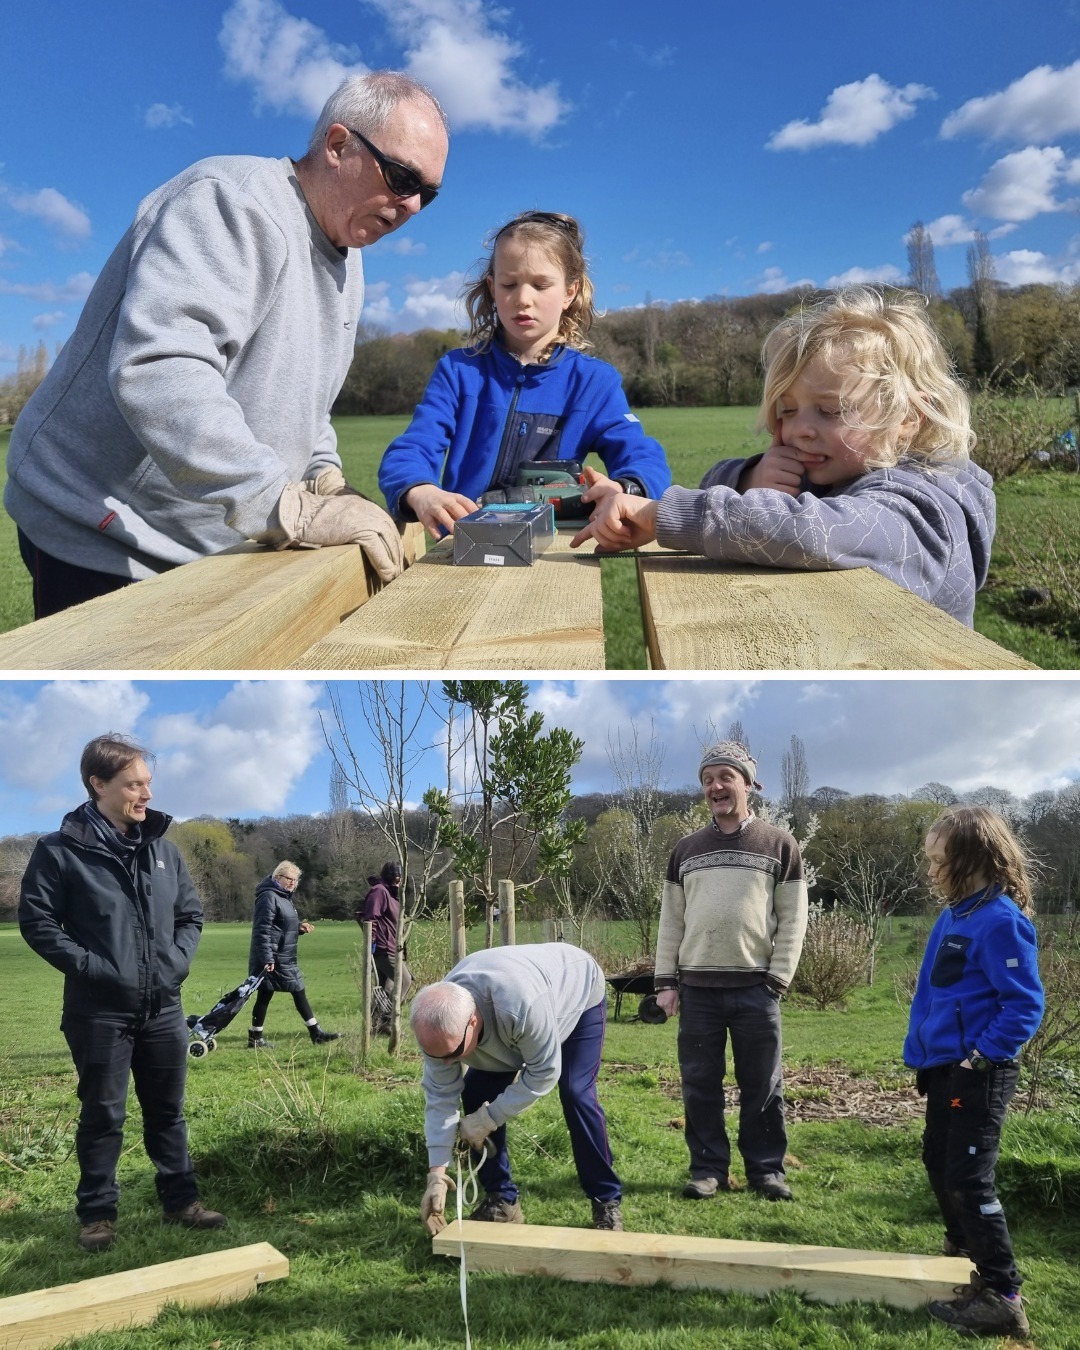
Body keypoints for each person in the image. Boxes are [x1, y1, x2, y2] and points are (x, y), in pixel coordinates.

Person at [5, 72, 450, 619]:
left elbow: (303, 405)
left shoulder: (349, 265)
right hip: (101, 528)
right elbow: (160, 368)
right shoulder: (230, 201)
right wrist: (287, 508)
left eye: (427, 195)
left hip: (207, 540)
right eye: (403, 177)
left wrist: (324, 479)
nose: (411, 206)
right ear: (338, 145)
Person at [570, 287, 993, 626]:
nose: (800, 429)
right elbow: (713, 483)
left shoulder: (925, 506)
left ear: (908, 417)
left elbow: (815, 533)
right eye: (787, 411)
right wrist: (752, 477)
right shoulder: (839, 467)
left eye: (831, 410)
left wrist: (661, 515)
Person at [17, 733, 225, 1251]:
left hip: (164, 1008)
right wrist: (96, 969)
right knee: (103, 1114)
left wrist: (173, 965)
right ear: (98, 784)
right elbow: (38, 922)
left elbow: (190, 916)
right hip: (98, 1012)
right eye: (134, 784)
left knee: (168, 1112)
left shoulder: (163, 850)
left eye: (148, 783)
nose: (146, 795)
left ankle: (181, 1202)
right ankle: (97, 1216)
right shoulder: (59, 851)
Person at [377, 210, 671, 537]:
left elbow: (643, 456)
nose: (522, 299)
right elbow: (414, 446)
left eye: (541, 285)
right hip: (465, 550)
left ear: (569, 292)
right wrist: (420, 491)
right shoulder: (458, 371)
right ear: (491, 287)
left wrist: (628, 490)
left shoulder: (594, 383)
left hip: (556, 554)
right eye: (509, 284)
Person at [904, 806, 1044, 1340]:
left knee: (968, 1176)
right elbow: (938, 995)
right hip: (947, 1068)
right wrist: (931, 1058)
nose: (932, 870)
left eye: (940, 861)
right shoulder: (954, 914)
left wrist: (977, 1059)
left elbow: (1024, 1005)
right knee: (937, 1161)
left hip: (980, 1072)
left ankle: (1004, 1295)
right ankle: (963, 1251)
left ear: (971, 859)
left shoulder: (1002, 920)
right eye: (930, 860)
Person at [654, 740, 808, 1202]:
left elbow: (794, 918)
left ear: (747, 785)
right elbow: (671, 921)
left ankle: (765, 1170)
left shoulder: (780, 845)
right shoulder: (685, 850)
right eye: (707, 780)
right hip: (698, 990)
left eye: (725, 777)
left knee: (762, 1085)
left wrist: (777, 981)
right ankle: (708, 1170)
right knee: (700, 1084)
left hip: (755, 990)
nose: (715, 787)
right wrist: (666, 983)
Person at [410, 943, 623, 1233]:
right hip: (508, 1022)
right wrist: (437, 1173)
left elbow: (544, 1072)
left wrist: (488, 1119)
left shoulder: (520, 1004)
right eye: (438, 1056)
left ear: (472, 1021)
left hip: (575, 994)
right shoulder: (439, 1027)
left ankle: (606, 1200)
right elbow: (440, 1097)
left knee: (575, 1093)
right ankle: (502, 1201)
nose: (446, 1062)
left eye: (454, 1052)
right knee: (475, 1093)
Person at [247, 861, 339, 1048]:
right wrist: (267, 958)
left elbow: (281, 926)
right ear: (277, 877)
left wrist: (299, 928)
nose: (292, 883)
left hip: (284, 955)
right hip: (274, 956)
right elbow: (262, 930)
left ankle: (256, 1037)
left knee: (272, 993)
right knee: (290, 990)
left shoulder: (283, 897)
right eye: (288, 878)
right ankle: (315, 1033)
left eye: (295, 880)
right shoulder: (268, 897)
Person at [357, 861, 412, 1032]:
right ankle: (388, 1021)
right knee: (404, 980)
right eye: (395, 878)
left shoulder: (392, 893)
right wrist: (370, 944)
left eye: (400, 878)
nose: (398, 881)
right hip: (383, 948)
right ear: (387, 877)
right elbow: (371, 919)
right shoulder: (379, 892)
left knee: (385, 987)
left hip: (392, 946)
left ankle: (374, 1024)